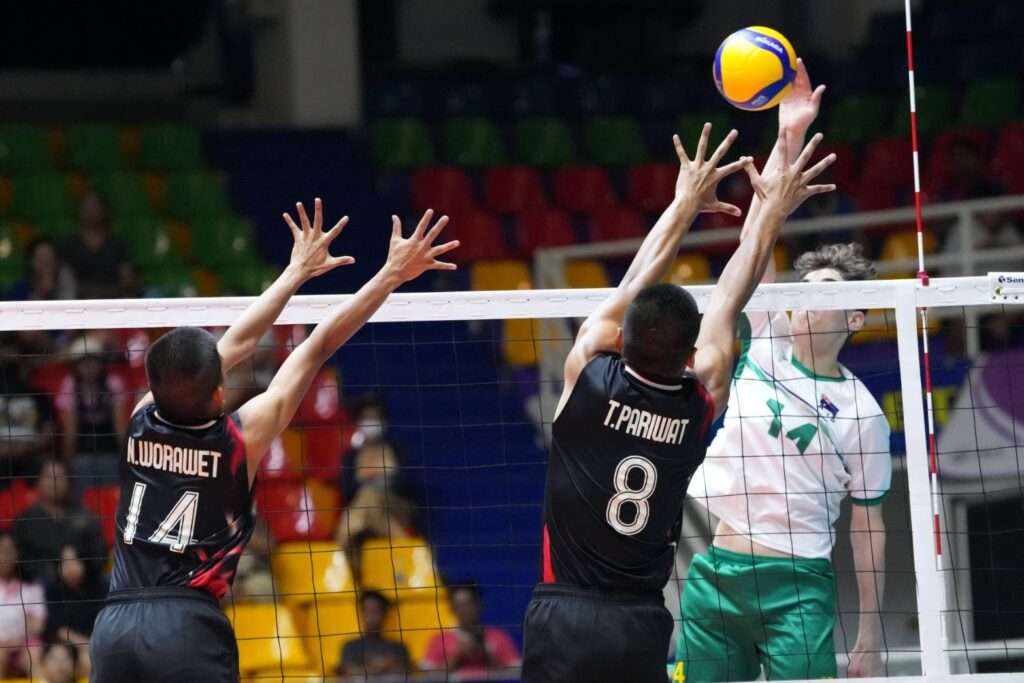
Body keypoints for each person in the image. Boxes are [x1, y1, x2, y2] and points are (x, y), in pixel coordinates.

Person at [519, 114, 838, 683]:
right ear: (690, 354)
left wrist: (684, 204)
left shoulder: (587, 372)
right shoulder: (700, 401)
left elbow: (633, 284)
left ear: (621, 339)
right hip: (639, 621)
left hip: (563, 612)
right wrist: (771, 212)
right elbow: (731, 295)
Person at [88, 199, 458, 683]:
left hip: (115, 625)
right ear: (218, 392)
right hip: (185, 627)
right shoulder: (238, 440)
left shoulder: (140, 417)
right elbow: (317, 345)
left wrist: (294, 272)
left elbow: (234, 345)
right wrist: (389, 274)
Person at [678, 62, 890, 681]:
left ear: (854, 317)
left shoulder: (862, 413)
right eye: (801, 288)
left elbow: (868, 529)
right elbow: (756, 237)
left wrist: (869, 636)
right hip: (716, 577)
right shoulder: (765, 342)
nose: (803, 300)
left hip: (799, 586)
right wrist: (789, 134)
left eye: (824, 292)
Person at [336, 395, 417, 585]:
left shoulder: (397, 451)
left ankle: (352, 569)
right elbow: (347, 490)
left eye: (375, 417)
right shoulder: (351, 457)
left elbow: (407, 485)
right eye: (366, 417)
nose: (370, 422)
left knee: (368, 497)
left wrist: (379, 484)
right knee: (368, 498)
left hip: (395, 507)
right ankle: (403, 559)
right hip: (370, 511)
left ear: (383, 421)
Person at [56, 334, 130, 494]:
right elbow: (70, 432)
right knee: (82, 488)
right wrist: (67, 464)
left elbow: (120, 428)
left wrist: (128, 459)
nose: (89, 367)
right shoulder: (69, 385)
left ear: (101, 363)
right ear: (75, 366)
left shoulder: (113, 383)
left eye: (93, 361)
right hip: (82, 455)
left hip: (110, 452)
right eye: (83, 363)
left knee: (112, 492)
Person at [14, 458, 107, 584]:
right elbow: (24, 561)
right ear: (37, 481)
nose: (55, 482)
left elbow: (99, 553)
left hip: (85, 583)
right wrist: (57, 570)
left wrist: (82, 565)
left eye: (60, 477)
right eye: (49, 477)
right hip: (41, 586)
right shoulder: (25, 520)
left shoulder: (85, 515)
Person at [421, 583, 520, 674]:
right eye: (459, 606)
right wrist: (457, 656)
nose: (465, 610)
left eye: (468, 604)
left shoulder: (498, 637)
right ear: (452, 608)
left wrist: (486, 654)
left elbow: (516, 674)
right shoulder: (439, 640)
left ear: (479, 605)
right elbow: (425, 676)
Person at [0, 333, 58, 484]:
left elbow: (50, 430)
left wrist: (28, 446)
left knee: (52, 473)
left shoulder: (39, 396)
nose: (10, 370)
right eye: (5, 363)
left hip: (31, 456)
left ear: (25, 365)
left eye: (14, 363)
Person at [62, 192, 134, 299]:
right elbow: (65, 281)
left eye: (94, 206)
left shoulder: (117, 245)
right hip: (80, 301)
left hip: (112, 300)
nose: (90, 211)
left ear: (104, 210)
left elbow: (126, 280)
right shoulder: (70, 245)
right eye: (87, 207)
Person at [44, 544, 106, 671]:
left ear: (84, 563)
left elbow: (103, 625)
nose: (70, 567)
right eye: (65, 562)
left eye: (74, 561)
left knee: (88, 659)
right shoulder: (53, 590)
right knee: (57, 658)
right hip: (65, 644)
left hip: (96, 644)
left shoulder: (99, 588)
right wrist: (84, 644)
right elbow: (59, 630)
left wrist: (91, 645)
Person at [0, 531, 45, 677]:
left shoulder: (31, 587)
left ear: (17, 553)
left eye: (9, 551)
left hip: (25, 644)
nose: (5, 556)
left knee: (33, 655)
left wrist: (17, 642)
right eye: (1, 551)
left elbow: (38, 625)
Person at [338, 589, 411, 677]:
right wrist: (382, 666)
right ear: (361, 613)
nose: (372, 616)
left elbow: (406, 673)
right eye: (368, 611)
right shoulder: (350, 647)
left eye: (376, 611)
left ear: (384, 614)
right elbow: (348, 671)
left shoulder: (399, 648)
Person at [8, 238, 77, 302]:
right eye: (41, 257)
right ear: (32, 261)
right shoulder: (22, 286)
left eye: (49, 256)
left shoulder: (65, 277)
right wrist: (41, 291)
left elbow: (68, 304)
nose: (46, 261)